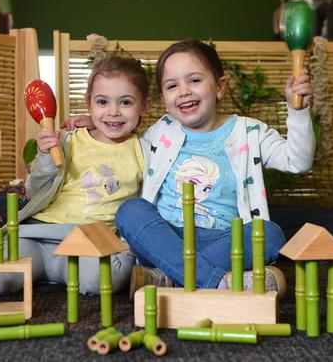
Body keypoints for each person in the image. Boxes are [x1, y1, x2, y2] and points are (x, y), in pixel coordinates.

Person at [114, 39, 314, 298]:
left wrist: (298, 111)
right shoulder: (160, 131)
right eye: (172, 85)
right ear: (164, 99)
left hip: (223, 240)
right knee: (130, 211)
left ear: (220, 87)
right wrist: (92, 126)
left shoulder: (249, 132)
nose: (184, 91)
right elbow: (119, 144)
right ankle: (217, 281)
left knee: (270, 233)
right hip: (165, 237)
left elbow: (297, 161)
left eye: (195, 80)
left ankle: (169, 277)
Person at [0, 56, 151, 296]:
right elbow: (34, 189)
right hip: (39, 235)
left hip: (90, 242)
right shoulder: (69, 139)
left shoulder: (145, 149)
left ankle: (116, 260)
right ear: (89, 103)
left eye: (126, 102)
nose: (113, 112)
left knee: (104, 279)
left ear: (144, 106)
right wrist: (45, 156)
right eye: (102, 102)